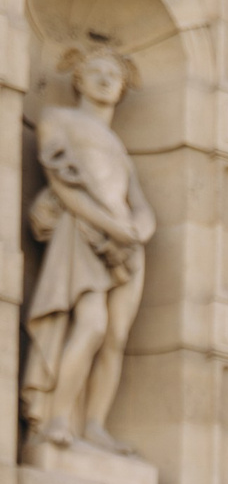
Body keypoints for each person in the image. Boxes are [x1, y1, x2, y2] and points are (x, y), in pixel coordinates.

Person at [22, 47, 155, 458]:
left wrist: (139, 230)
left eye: (114, 75)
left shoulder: (118, 146)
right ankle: (58, 418)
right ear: (78, 79)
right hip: (83, 231)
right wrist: (114, 228)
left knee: (115, 338)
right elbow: (63, 186)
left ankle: (95, 425)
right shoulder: (57, 119)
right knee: (92, 325)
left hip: (125, 246)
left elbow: (139, 203)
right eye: (95, 70)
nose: (105, 79)